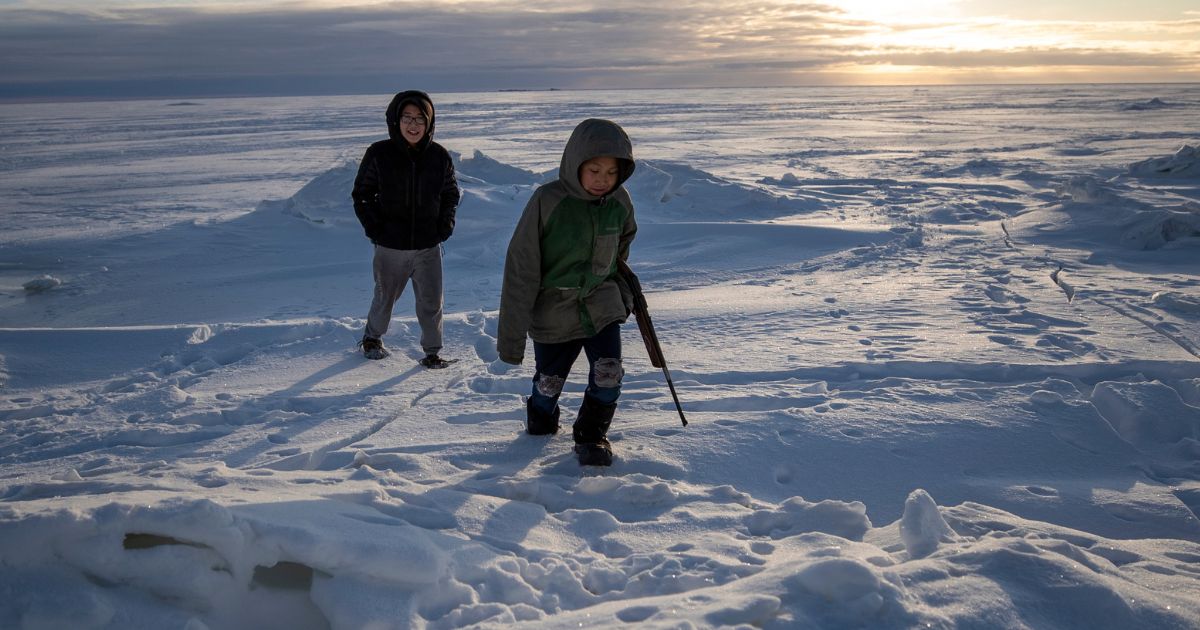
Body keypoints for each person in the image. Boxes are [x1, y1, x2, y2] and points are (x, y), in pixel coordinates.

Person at [497, 118, 637, 466]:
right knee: (549, 382)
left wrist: (620, 290)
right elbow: (521, 266)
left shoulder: (620, 201)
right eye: (594, 170)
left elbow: (622, 246)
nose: (603, 179)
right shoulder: (548, 200)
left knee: (609, 373)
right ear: (575, 164)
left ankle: (591, 437)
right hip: (553, 308)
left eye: (611, 171)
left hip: (600, 303)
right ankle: (541, 417)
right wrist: (511, 340)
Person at [352, 90, 460, 368]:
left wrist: (444, 225)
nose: (413, 126)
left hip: (428, 246)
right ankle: (372, 338)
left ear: (429, 123)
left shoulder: (439, 156)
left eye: (420, 120)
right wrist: (377, 229)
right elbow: (362, 194)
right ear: (395, 121)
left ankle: (432, 352)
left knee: (431, 302)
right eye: (407, 118)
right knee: (384, 296)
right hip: (391, 247)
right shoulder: (379, 153)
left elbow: (450, 193)